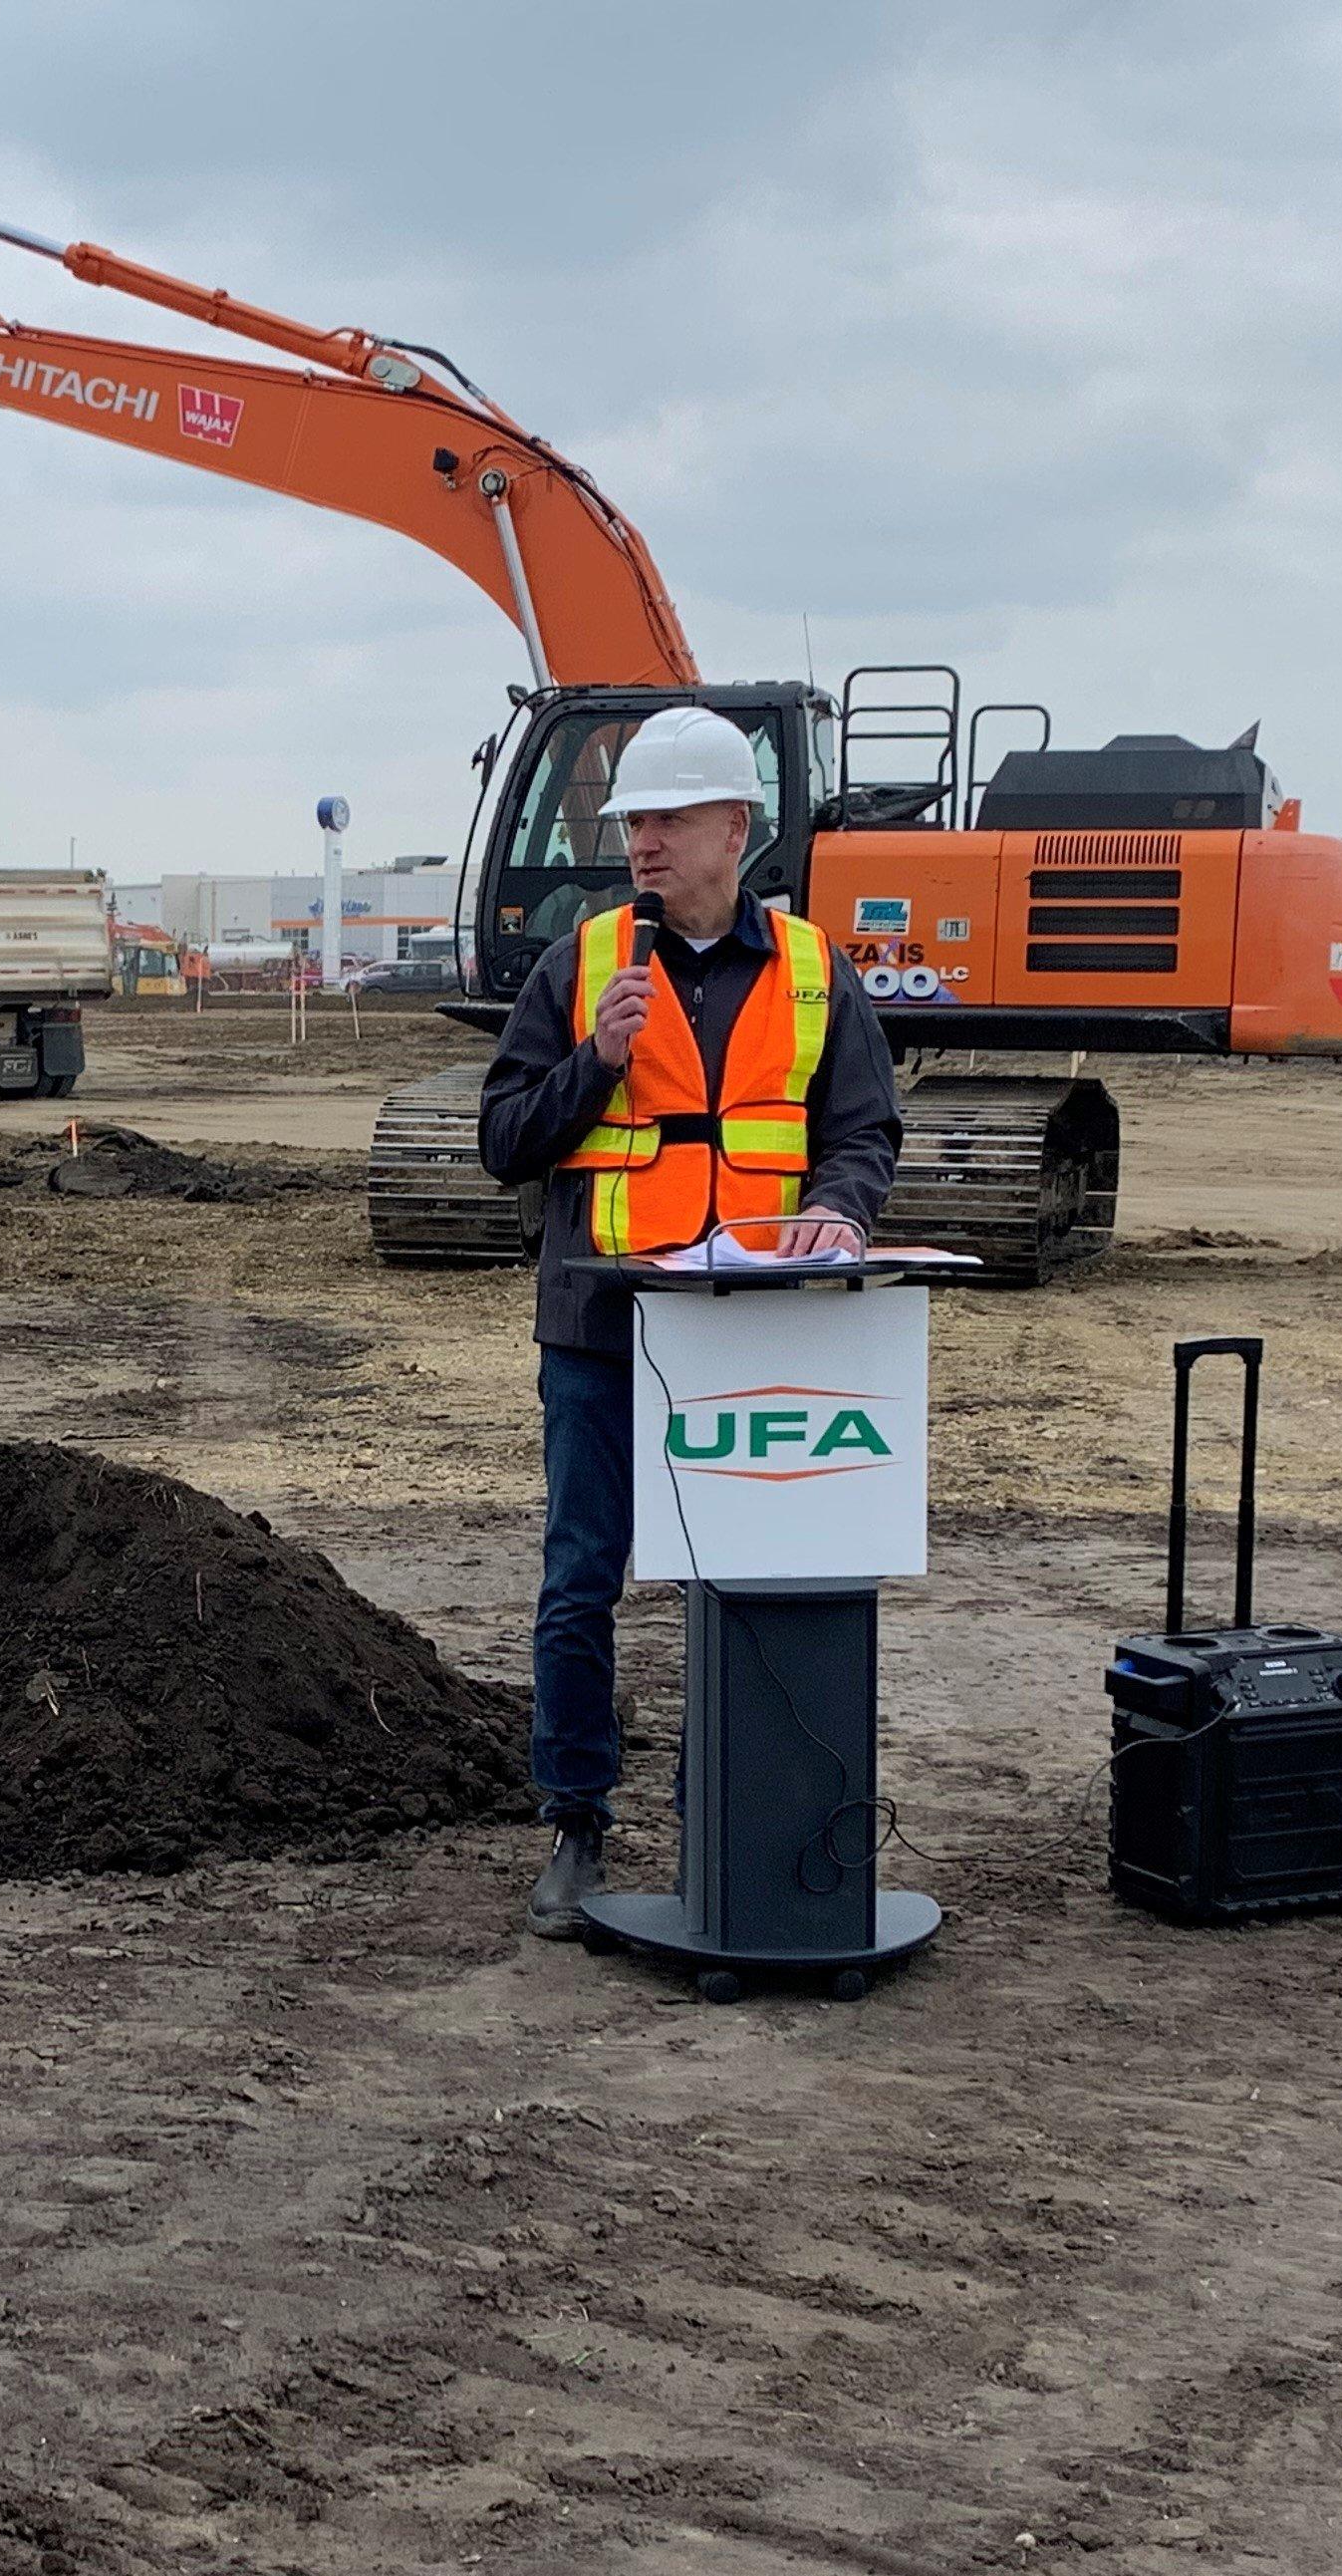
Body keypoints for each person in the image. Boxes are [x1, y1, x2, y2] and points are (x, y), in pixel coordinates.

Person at [475, 706, 904, 1939]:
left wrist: (840, 1210)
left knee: (739, 1586)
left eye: (665, 820)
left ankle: (728, 1818)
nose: (643, 844)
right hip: (603, 1330)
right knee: (580, 1582)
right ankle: (575, 1824)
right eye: (633, 825)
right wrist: (595, 1064)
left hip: (754, 1333)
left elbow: (864, 1131)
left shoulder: (817, 972)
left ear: (736, 829)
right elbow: (507, 1140)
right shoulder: (583, 961)